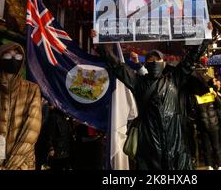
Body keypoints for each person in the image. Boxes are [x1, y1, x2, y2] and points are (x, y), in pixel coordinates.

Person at [91, 23, 212, 170]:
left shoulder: (174, 79)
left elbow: (190, 60)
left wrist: (206, 37)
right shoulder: (138, 82)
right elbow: (118, 66)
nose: (154, 62)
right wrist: (101, 46)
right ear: (146, 64)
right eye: (150, 60)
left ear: (164, 63)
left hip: (176, 145)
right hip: (149, 147)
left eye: (157, 60)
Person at [0, 43, 42, 170]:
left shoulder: (32, 90)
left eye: (18, 56)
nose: (14, 59)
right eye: (8, 55)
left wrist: (11, 166)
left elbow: (31, 130)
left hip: (22, 164)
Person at [194, 75, 221, 170]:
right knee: (206, 148)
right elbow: (194, 111)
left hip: (214, 124)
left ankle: (220, 165)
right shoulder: (196, 96)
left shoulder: (212, 93)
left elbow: (220, 107)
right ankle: (209, 165)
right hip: (203, 126)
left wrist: (216, 97)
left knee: (216, 147)